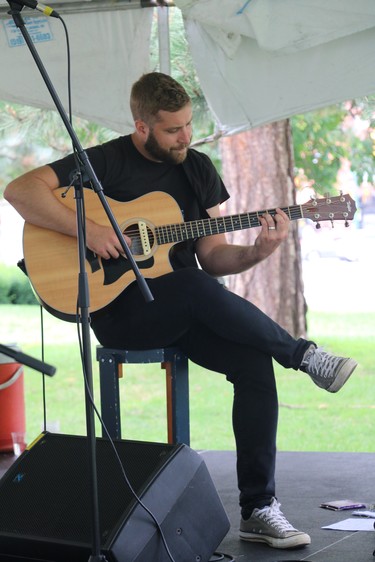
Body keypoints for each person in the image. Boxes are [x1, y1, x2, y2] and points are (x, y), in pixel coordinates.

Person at [4, 72, 357, 550]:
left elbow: (214, 258)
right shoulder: (105, 160)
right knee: (188, 283)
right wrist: (90, 230)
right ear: (142, 126)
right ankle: (303, 355)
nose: (185, 137)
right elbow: (20, 191)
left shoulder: (198, 169)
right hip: (121, 311)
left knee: (252, 361)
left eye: (189, 125)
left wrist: (260, 250)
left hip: (183, 308)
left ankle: (258, 510)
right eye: (173, 130)